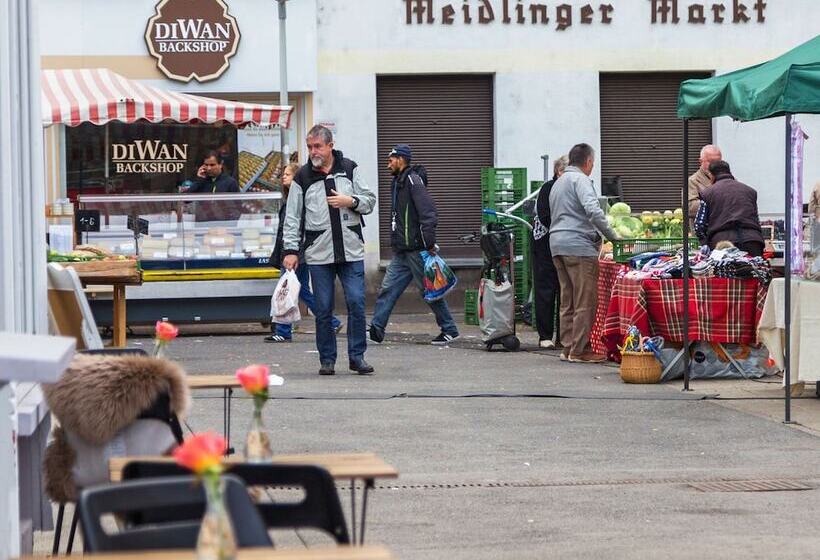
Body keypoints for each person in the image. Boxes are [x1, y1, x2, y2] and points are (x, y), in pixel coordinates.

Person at [281, 125, 376, 376]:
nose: (313, 151)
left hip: (350, 251)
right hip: (319, 253)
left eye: (318, 147)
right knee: (323, 308)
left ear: (330, 146)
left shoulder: (350, 168)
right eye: (310, 147)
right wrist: (290, 250)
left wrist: (351, 201)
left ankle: (357, 357)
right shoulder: (302, 177)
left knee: (356, 302)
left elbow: (369, 200)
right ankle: (327, 359)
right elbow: (292, 217)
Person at [369, 144, 459, 346]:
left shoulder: (412, 180)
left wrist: (428, 243)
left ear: (401, 159)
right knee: (388, 288)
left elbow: (428, 213)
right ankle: (376, 329)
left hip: (417, 249)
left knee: (430, 291)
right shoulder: (398, 182)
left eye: (391, 159)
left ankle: (449, 329)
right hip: (403, 250)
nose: (388, 163)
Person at [549, 143, 618, 364]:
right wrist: (612, 235)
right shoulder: (581, 180)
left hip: (557, 244)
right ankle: (580, 350)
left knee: (567, 300)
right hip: (579, 246)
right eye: (593, 163)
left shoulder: (558, 183)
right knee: (585, 300)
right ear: (588, 162)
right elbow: (593, 210)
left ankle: (568, 347)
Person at [265, 162, 342, 343]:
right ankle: (331, 321)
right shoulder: (290, 199)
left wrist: (291, 252)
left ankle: (284, 330)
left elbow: (297, 227)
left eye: (288, 174)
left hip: (297, 253)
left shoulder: (300, 198)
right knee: (301, 290)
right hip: (296, 251)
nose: (283, 177)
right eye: (283, 174)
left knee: (287, 288)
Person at [531, 155, 568, 349]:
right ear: (559, 171)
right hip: (545, 244)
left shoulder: (573, 187)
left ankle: (564, 336)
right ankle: (545, 336)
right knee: (546, 289)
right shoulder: (548, 188)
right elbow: (544, 216)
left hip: (565, 244)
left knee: (566, 291)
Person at [694, 160, 765, 257]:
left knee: (726, 271)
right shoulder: (750, 191)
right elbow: (755, 218)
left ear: (711, 175)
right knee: (754, 271)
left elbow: (699, 224)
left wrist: (705, 243)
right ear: (729, 172)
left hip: (722, 243)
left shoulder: (708, 193)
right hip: (753, 241)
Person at [688, 144, 722, 228]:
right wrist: (719, 203)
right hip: (703, 234)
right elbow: (690, 207)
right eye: (711, 161)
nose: (715, 165)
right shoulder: (693, 181)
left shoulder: (729, 179)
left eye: (718, 161)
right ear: (700, 161)